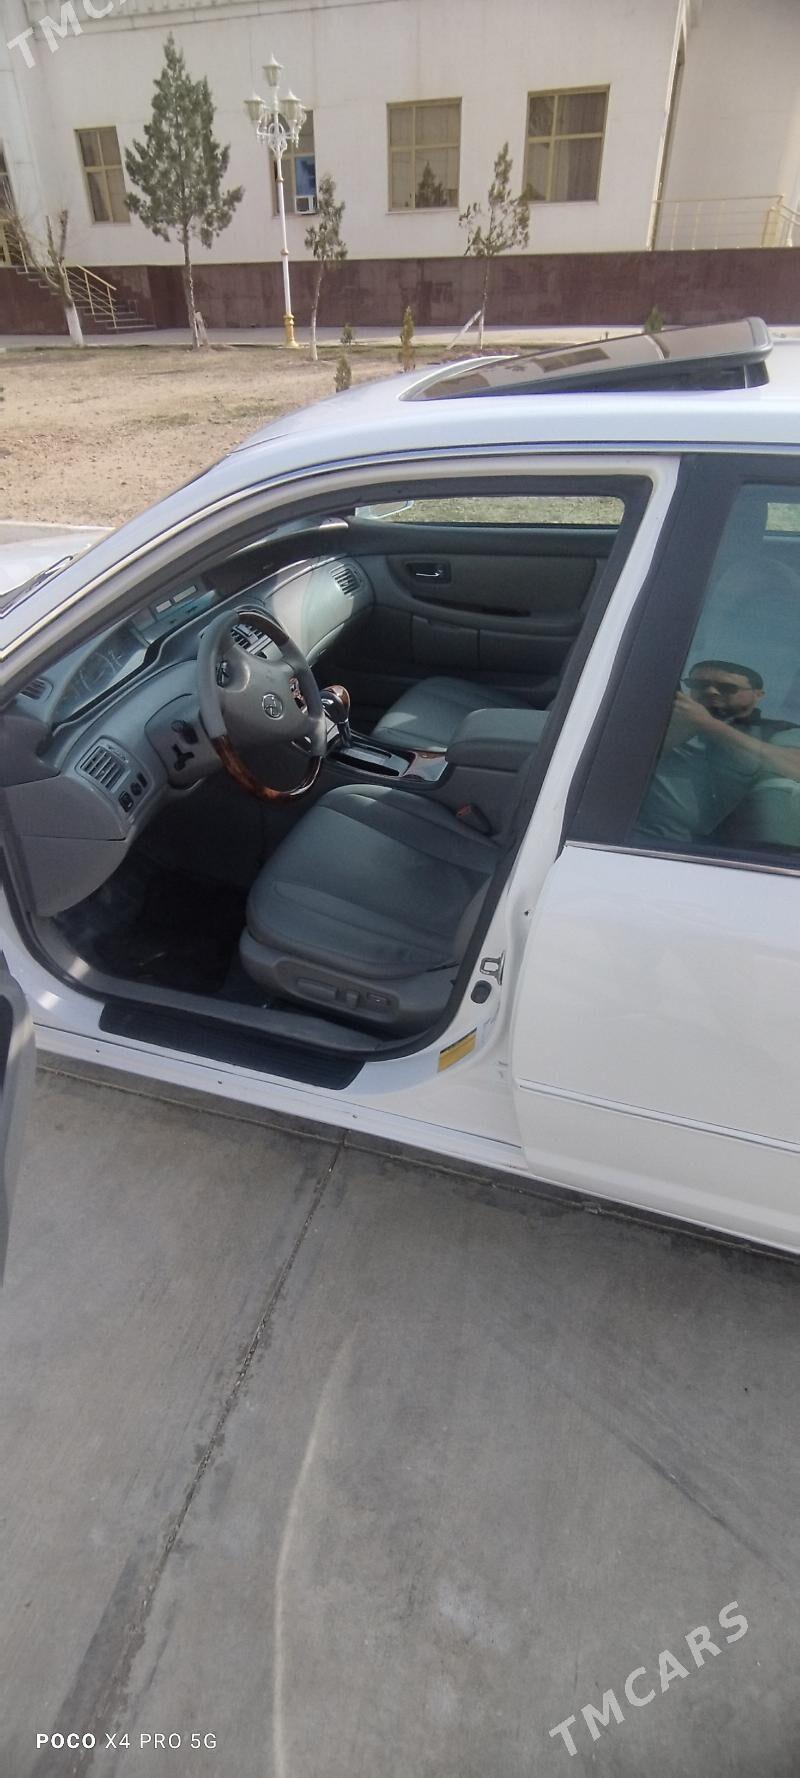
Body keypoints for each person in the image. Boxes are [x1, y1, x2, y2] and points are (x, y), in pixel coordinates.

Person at [635, 659, 800, 844]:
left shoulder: (781, 731)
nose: (711, 691)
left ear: (758, 695)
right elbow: (623, 770)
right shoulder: (656, 724)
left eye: (727, 688)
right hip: (647, 847)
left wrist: (708, 725)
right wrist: (671, 736)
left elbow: (795, 767)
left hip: (741, 853)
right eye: (698, 685)